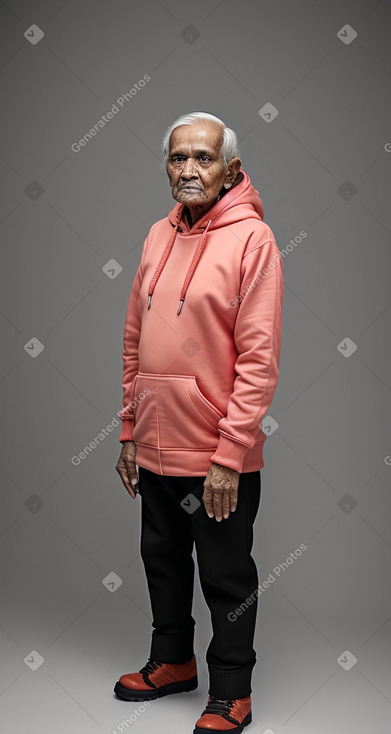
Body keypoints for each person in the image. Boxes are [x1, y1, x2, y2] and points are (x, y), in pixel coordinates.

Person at [114, 111, 284, 734]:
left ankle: (232, 690)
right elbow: (135, 339)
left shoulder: (253, 242)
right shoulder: (157, 235)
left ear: (230, 170)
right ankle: (173, 661)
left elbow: (259, 359)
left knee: (224, 573)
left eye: (203, 159)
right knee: (161, 558)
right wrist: (129, 428)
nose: (188, 169)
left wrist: (230, 453)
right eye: (177, 158)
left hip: (216, 453)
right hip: (155, 441)